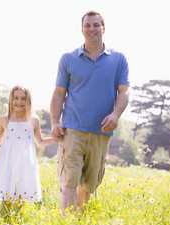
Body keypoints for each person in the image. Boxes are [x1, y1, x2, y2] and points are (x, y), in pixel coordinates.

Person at [50, 11, 129, 213]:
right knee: (69, 181)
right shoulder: (68, 59)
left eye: (96, 25)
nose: (91, 29)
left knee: (88, 186)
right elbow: (59, 94)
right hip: (72, 130)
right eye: (87, 25)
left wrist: (115, 115)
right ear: (82, 29)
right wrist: (54, 122)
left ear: (104, 28)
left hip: (101, 132)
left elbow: (124, 91)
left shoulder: (118, 59)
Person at [0, 86, 57, 213]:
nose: (19, 102)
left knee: (21, 193)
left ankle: (15, 219)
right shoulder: (4, 119)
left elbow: (40, 142)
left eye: (23, 98)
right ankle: (3, 216)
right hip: (8, 160)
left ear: (28, 101)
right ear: (11, 100)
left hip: (25, 161)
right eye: (16, 98)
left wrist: (56, 139)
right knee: (7, 189)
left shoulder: (33, 120)